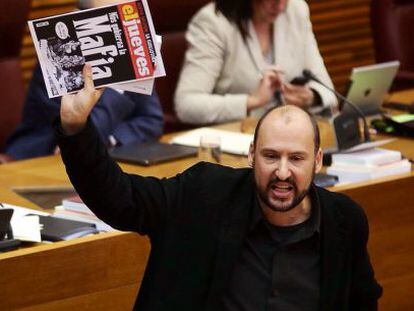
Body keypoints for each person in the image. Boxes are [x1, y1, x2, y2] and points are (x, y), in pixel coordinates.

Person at [55, 64, 381, 310]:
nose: (282, 172)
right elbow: (121, 200)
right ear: (251, 154)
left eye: (296, 158)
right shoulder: (204, 195)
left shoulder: (344, 222)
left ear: (318, 160)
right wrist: (75, 128)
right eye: (271, 156)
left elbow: (362, 302)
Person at [2, 0, 163, 161]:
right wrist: (116, 88)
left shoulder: (131, 47)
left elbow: (151, 121)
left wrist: (112, 140)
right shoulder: (59, 53)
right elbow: (78, 130)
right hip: (39, 158)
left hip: (102, 158)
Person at [174, 0, 337, 124]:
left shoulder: (295, 9)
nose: (280, 7)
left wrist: (310, 97)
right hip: (237, 139)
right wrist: (251, 101)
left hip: (288, 132)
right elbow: (187, 105)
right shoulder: (213, 22)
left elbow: (328, 90)